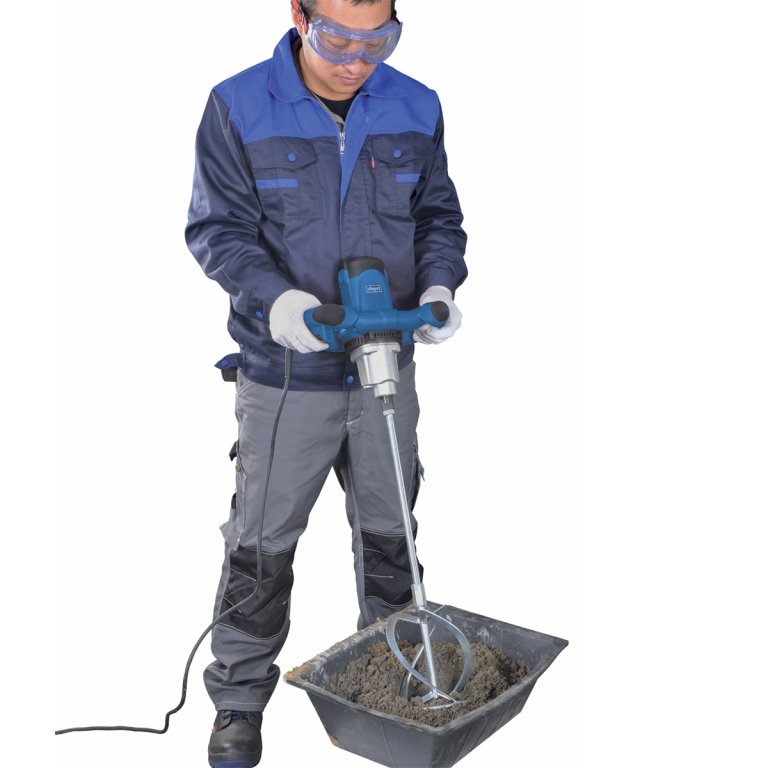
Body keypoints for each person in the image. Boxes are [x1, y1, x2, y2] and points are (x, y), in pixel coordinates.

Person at [185, 1, 467, 765]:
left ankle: (405, 682)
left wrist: (439, 286)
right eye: (337, 38)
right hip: (286, 375)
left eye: (378, 41)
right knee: (260, 549)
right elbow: (218, 229)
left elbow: (437, 218)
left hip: (386, 366)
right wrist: (274, 299)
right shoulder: (239, 105)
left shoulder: (416, 104)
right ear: (298, 14)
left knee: (391, 536)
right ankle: (239, 701)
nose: (356, 60)